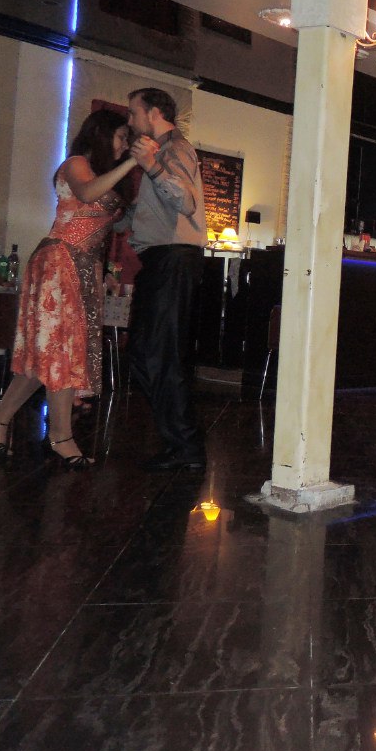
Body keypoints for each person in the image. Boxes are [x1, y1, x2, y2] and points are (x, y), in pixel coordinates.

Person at [0, 110, 138, 467]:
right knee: (61, 351)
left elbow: (105, 228)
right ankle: (61, 436)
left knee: (48, 355)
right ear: (101, 135)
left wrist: (104, 271)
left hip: (84, 265)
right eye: (120, 137)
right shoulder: (76, 164)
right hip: (59, 260)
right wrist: (132, 162)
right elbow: (86, 193)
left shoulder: (103, 174)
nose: (124, 145)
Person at [125, 87, 208, 472]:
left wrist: (152, 166)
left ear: (154, 113)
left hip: (173, 259)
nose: (130, 121)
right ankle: (180, 441)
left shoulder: (174, 149)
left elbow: (186, 201)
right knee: (145, 353)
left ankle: (186, 447)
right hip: (163, 261)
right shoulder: (163, 152)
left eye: (133, 113)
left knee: (159, 354)